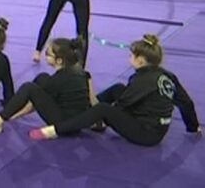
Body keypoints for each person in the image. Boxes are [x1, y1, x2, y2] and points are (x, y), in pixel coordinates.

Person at [30, 35, 201, 146]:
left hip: (147, 135)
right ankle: (85, 112)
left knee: (102, 109)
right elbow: (186, 102)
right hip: (156, 127)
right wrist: (193, 127)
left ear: (140, 60)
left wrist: (99, 118)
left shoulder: (142, 80)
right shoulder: (167, 76)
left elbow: (121, 106)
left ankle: (56, 129)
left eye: (132, 56)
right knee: (117, 89)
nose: (129, 58)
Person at [0, 38, 91, 135]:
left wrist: (12, 115)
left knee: (29, 88)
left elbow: (36, 103)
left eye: (48, 54)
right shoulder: (76, 71)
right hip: (75, 121)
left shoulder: (60, 79)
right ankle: (9, 113)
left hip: (65, 124)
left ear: (59, 60)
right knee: (43, 77)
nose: (45, 56)